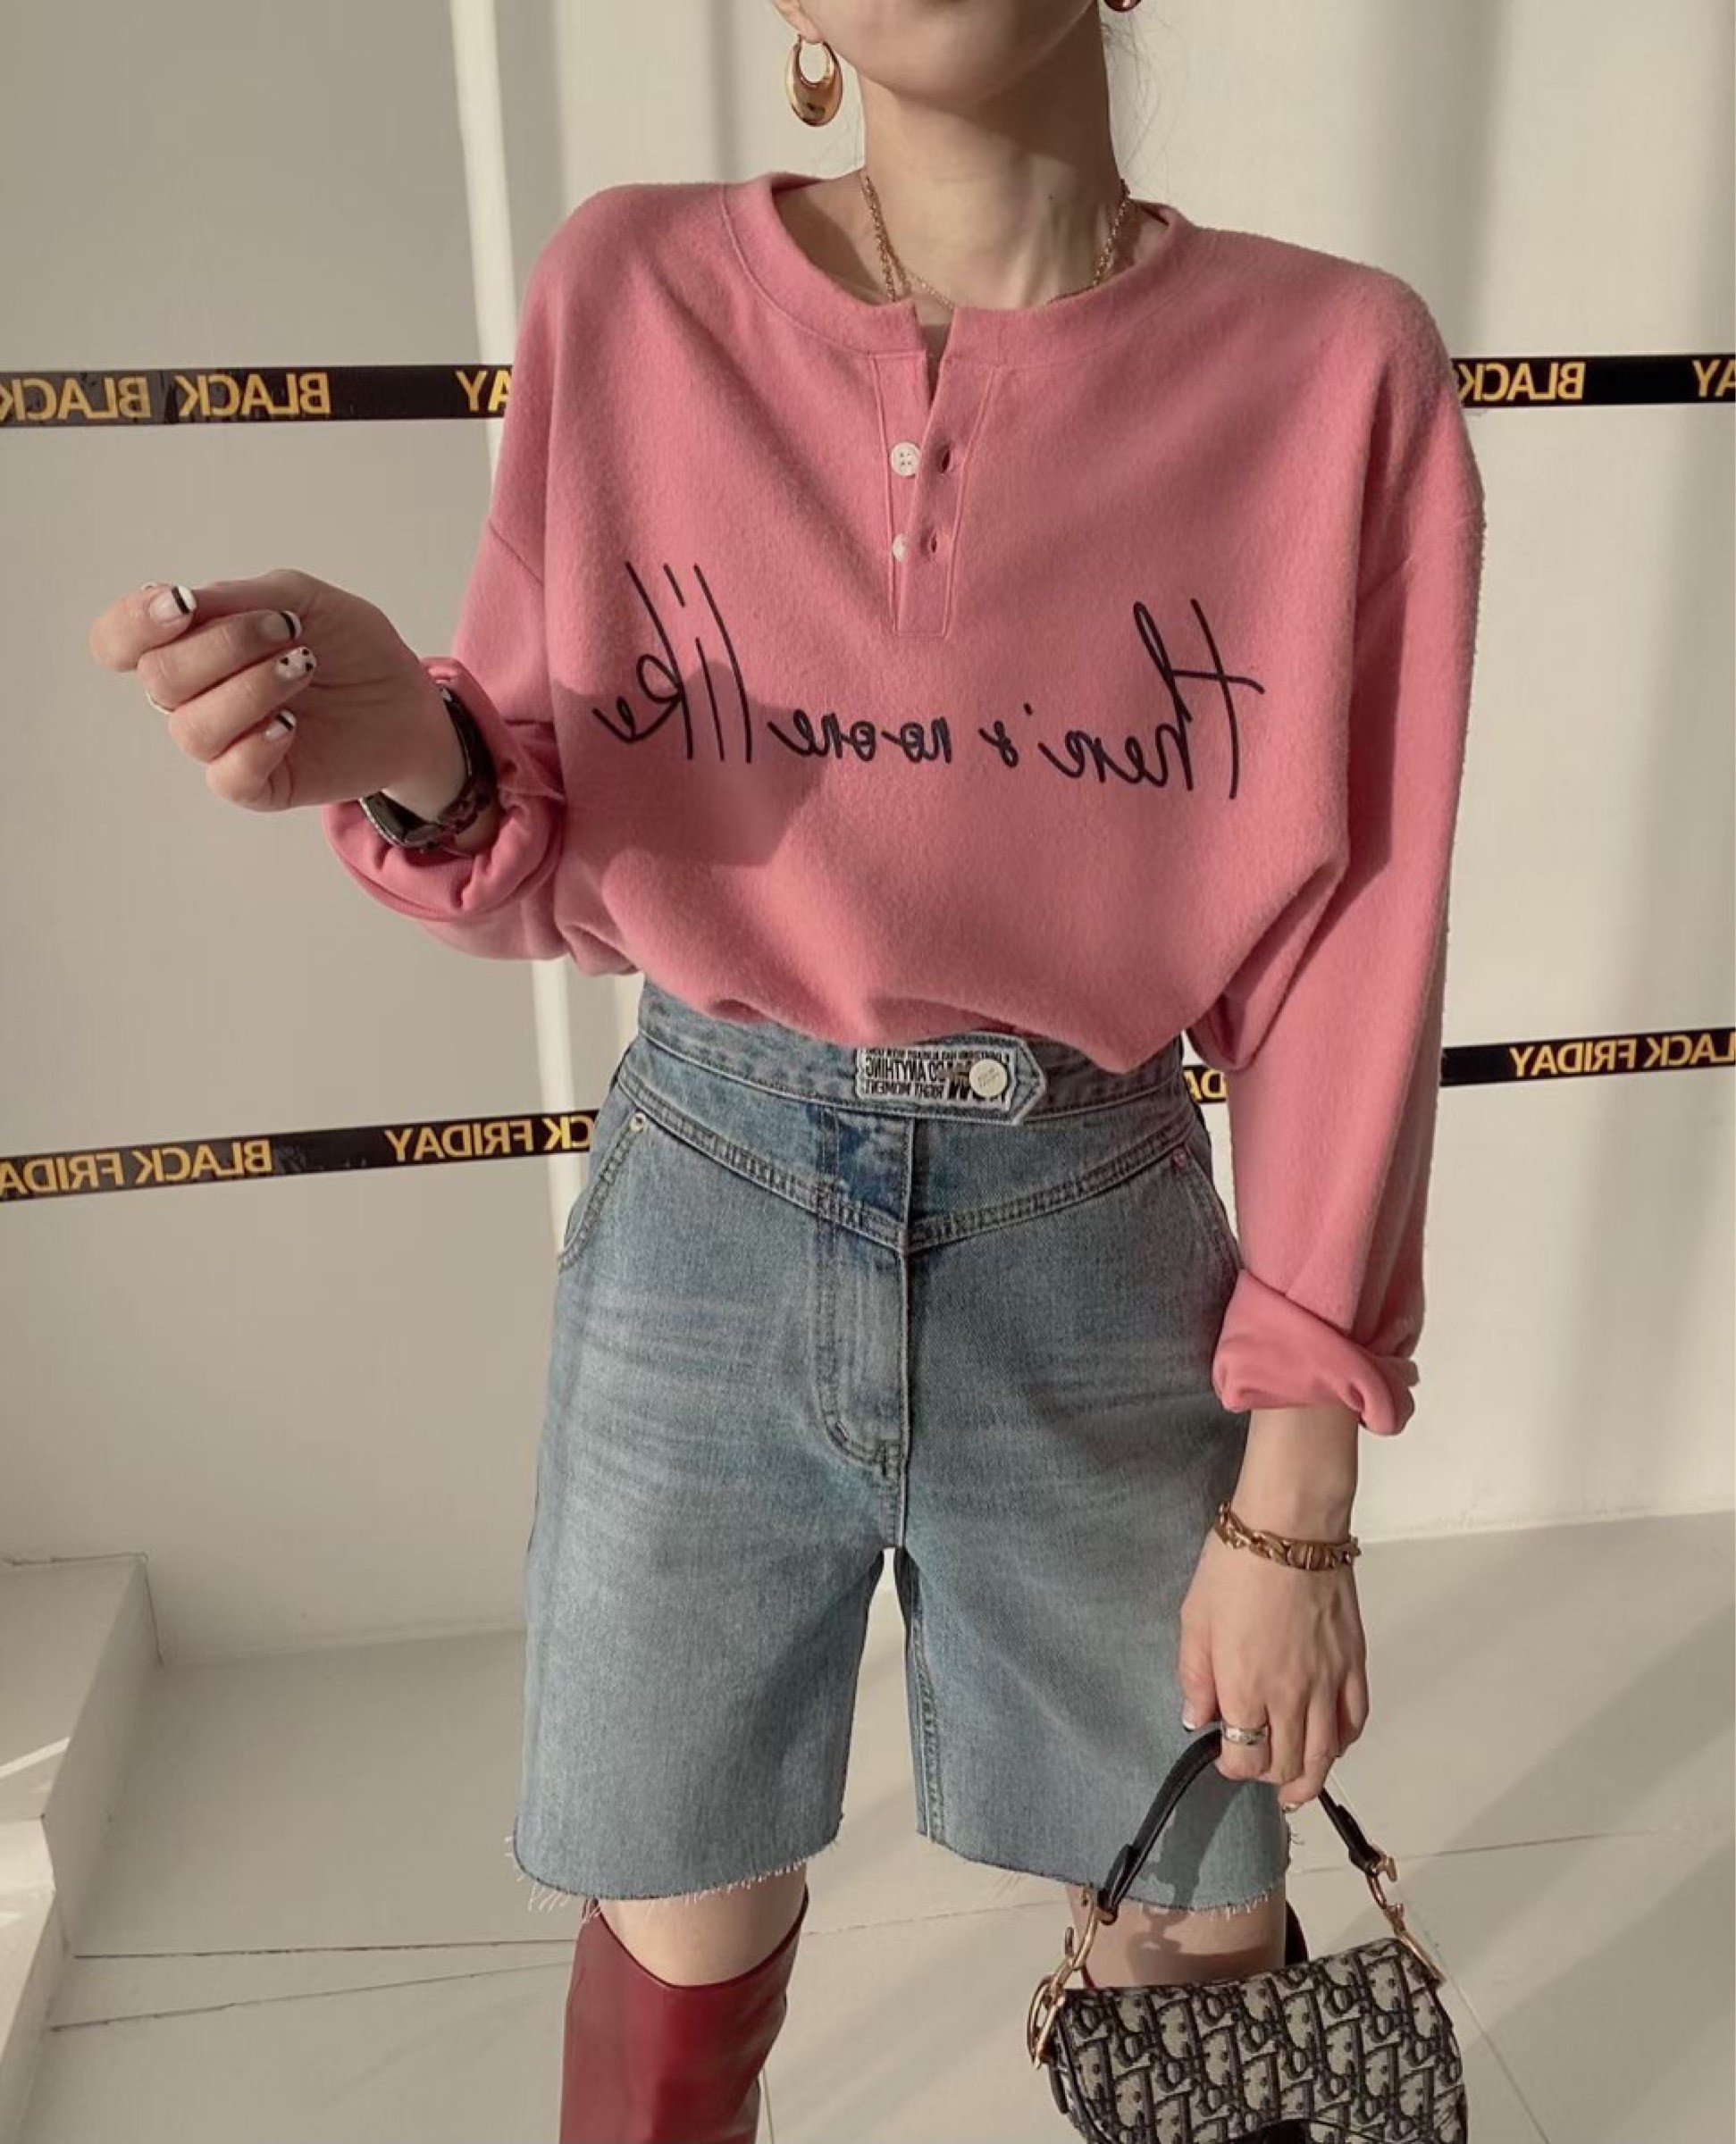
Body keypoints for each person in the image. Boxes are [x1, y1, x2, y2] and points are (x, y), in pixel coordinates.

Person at [87, 3, 1487, 2137]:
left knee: (1195, 1913)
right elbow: (541, 829)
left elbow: (1351, 954)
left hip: (1093, 1245)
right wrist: (417, 751)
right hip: (706, 1224)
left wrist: (1298, 1506)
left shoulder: (1333, 371)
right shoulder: (631, 294)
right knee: (677, 1909)